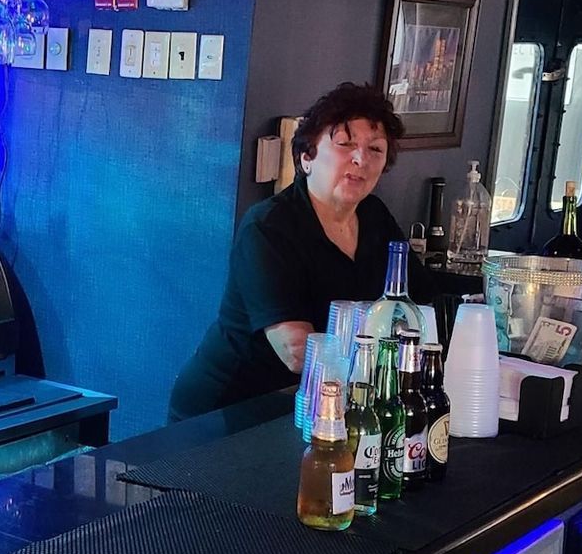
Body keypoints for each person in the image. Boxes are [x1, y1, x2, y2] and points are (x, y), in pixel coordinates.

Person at [170, 82, 424, 421]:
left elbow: (420, 305)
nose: (360, 158)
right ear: (307, 156)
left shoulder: (375, 216)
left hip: (318, 404)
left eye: (375, 150)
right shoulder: (269, 227)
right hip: (227, 411)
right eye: (345, 144)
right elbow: (297, 351)